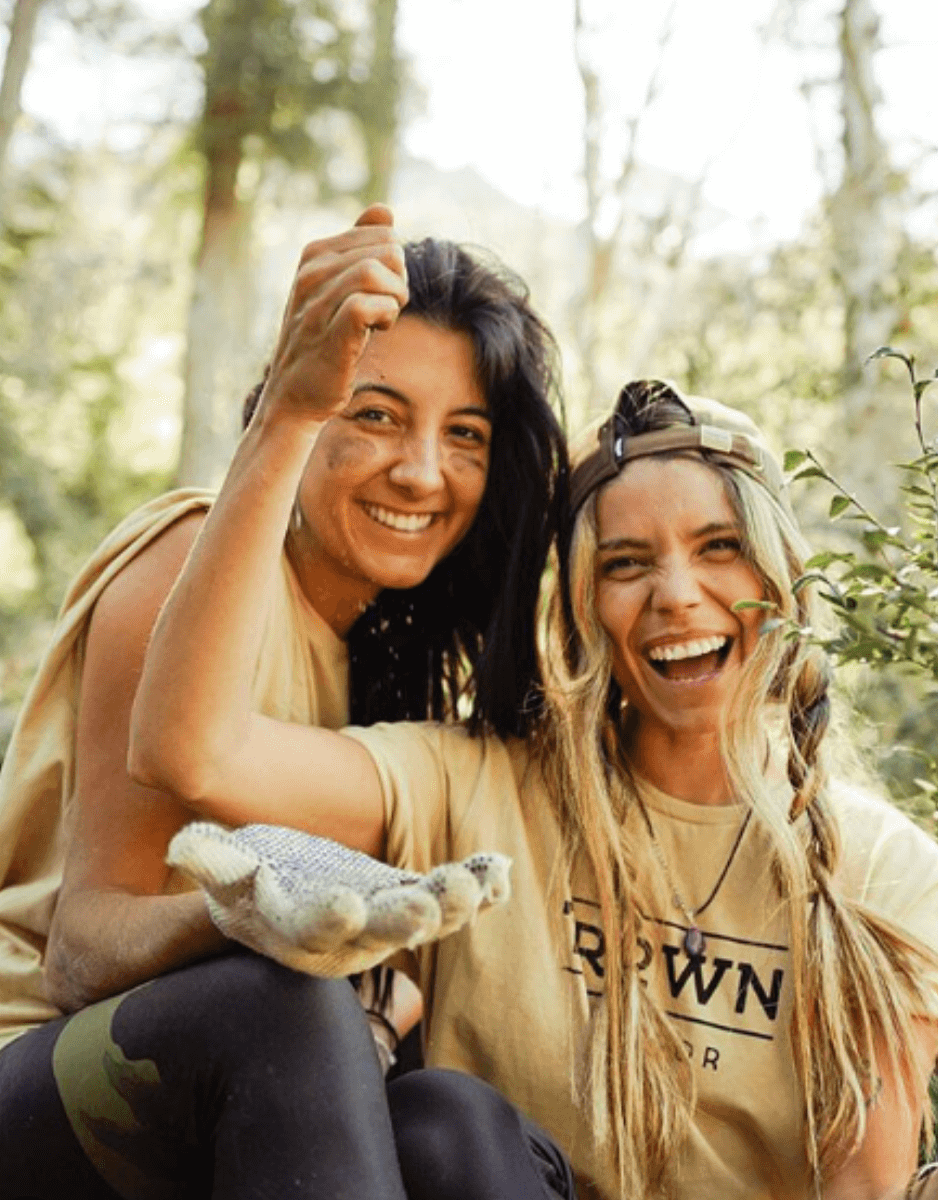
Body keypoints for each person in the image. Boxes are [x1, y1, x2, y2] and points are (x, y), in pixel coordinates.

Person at [127, 245, 938, 1200]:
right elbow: (189, 746)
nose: (677, 596)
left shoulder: (890, 879)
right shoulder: (473, 786)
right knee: (441, 1123)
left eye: (719, 549)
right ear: (581, 607)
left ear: (781, 579)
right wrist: (289, 414)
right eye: (625, 564)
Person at [0, 216, 575, 1199]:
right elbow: (84, 953)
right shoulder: (192, 563)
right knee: (281, 1005)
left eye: (465, 436)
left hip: (241, 1090)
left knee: (455, 1118)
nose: (421, 471)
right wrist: (248, 916)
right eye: (375, 414)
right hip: (39, 1074)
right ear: (302, 411)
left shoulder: (384, 673)